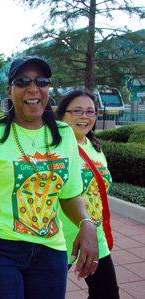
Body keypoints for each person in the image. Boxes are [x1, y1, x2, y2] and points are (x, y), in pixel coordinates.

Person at [0, 56, 99, 299]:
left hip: (50, 249)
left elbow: (70, 195)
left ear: (48, 88)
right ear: (10, 91)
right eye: (22, 82)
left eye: (41, 81)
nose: (33, 88)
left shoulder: (64, 136)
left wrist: (86, 223)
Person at [56, 90, 119, 299]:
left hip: (94, 238)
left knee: (107, 294)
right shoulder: (53, 148)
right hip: (59, 239)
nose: (85, 116)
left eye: (90, 112)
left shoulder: (95, 146)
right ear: (62, 115)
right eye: (77, 111)